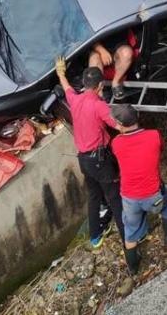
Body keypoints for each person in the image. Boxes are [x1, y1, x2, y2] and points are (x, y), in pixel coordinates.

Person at [54, 58, 125, 248]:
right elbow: (118, 126)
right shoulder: (99, 106)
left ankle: (95, 237)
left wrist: (60, 73)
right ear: (100, 85)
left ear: (84, 84)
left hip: (84, 160)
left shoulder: (75, 99)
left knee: (94, 196)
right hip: (100, 160)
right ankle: (129, 237)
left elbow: (66, 86)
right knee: (114, 196)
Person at [110, 104, 167, 275]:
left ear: (119, 124)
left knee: (130, 230)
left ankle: (133, 267)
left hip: (129, 198)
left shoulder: (116, 143)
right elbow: (160, 149)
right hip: (153, 196)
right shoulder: (154, 135)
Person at [88, 29, 136, 100]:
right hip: (98, 50)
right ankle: (97, 91)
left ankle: (116, 82)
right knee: (94, 57)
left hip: (118, 49)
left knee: (127, 52)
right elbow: (89, 36)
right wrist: (101, 50)